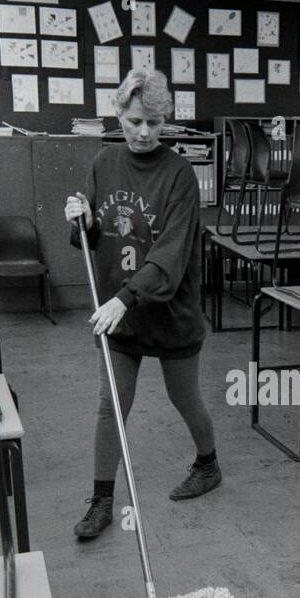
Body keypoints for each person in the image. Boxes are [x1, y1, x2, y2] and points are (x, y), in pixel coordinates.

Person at [66, 69, 220, 540]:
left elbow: (171, 256)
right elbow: (89, 237)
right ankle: (101, 501)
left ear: (165, 120)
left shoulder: (179, 175)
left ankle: (208, 463)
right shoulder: (102, 164)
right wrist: (82, 220)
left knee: (183, 396)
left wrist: (125, 298)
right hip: (119, 312)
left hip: (168, 310)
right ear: (119, 115)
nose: (144, 132)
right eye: (134, 121)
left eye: (154, 122)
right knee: (111, 404)